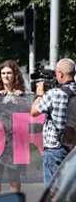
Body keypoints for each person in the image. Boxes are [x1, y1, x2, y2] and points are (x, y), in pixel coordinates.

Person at [0, 60, 29, 194]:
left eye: (9, 73)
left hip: (16, 138)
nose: (6, 76)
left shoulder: (22, 94)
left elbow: (28, 113)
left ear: (15, 75)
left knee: (14, 174)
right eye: (3, 73)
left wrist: (19, 98)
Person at [30, 58, 76, 187]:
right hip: (73, 148)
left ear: (60, 74)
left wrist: (40, 94)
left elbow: (34, 111)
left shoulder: (54, 93)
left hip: (55, 148)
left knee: (52, 191)